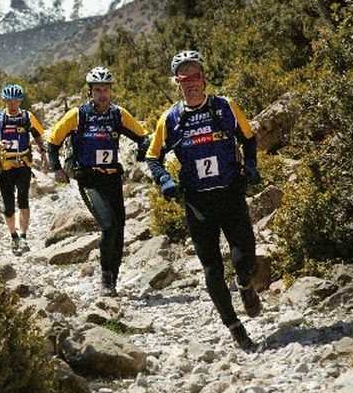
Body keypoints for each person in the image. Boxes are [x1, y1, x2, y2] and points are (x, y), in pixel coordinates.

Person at [146, 50, 262, 351]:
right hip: (197, 203)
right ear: (177, 83)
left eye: (196, 76)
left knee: (244, 256)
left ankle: (245, 284)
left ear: (204, 77)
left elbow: (248, 138)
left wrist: (251, 165)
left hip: (231, 193)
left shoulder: (225, 107)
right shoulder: (170, 119)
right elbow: (152, 157)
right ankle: (235, 327)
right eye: (185, 79)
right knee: (211, 268)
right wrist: (165, 180)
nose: (192, 83)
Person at [47, 67, 150, 296]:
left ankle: (113, 279)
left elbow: (143, 137)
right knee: (108, 225)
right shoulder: (78, 115)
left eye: (106, 89)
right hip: (89, 180)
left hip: (112, 178)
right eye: (98, 90)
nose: (102, 94)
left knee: (120, 229)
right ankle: (105, 278)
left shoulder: (118, 114)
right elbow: (52, 141)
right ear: (89, 91)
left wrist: (144, 153)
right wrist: (56, 169)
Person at [0, 83, 48, 255]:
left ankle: (23, 237)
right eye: (9, 101)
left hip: (23, 164)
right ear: (4, 100)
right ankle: (13, 236)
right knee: (8, 206)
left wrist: (43, 152)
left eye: (16, 101)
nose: (12, 105)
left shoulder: (27, 117)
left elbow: (38, 134)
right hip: (4, 166)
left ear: (20, 101)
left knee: (23, 199)